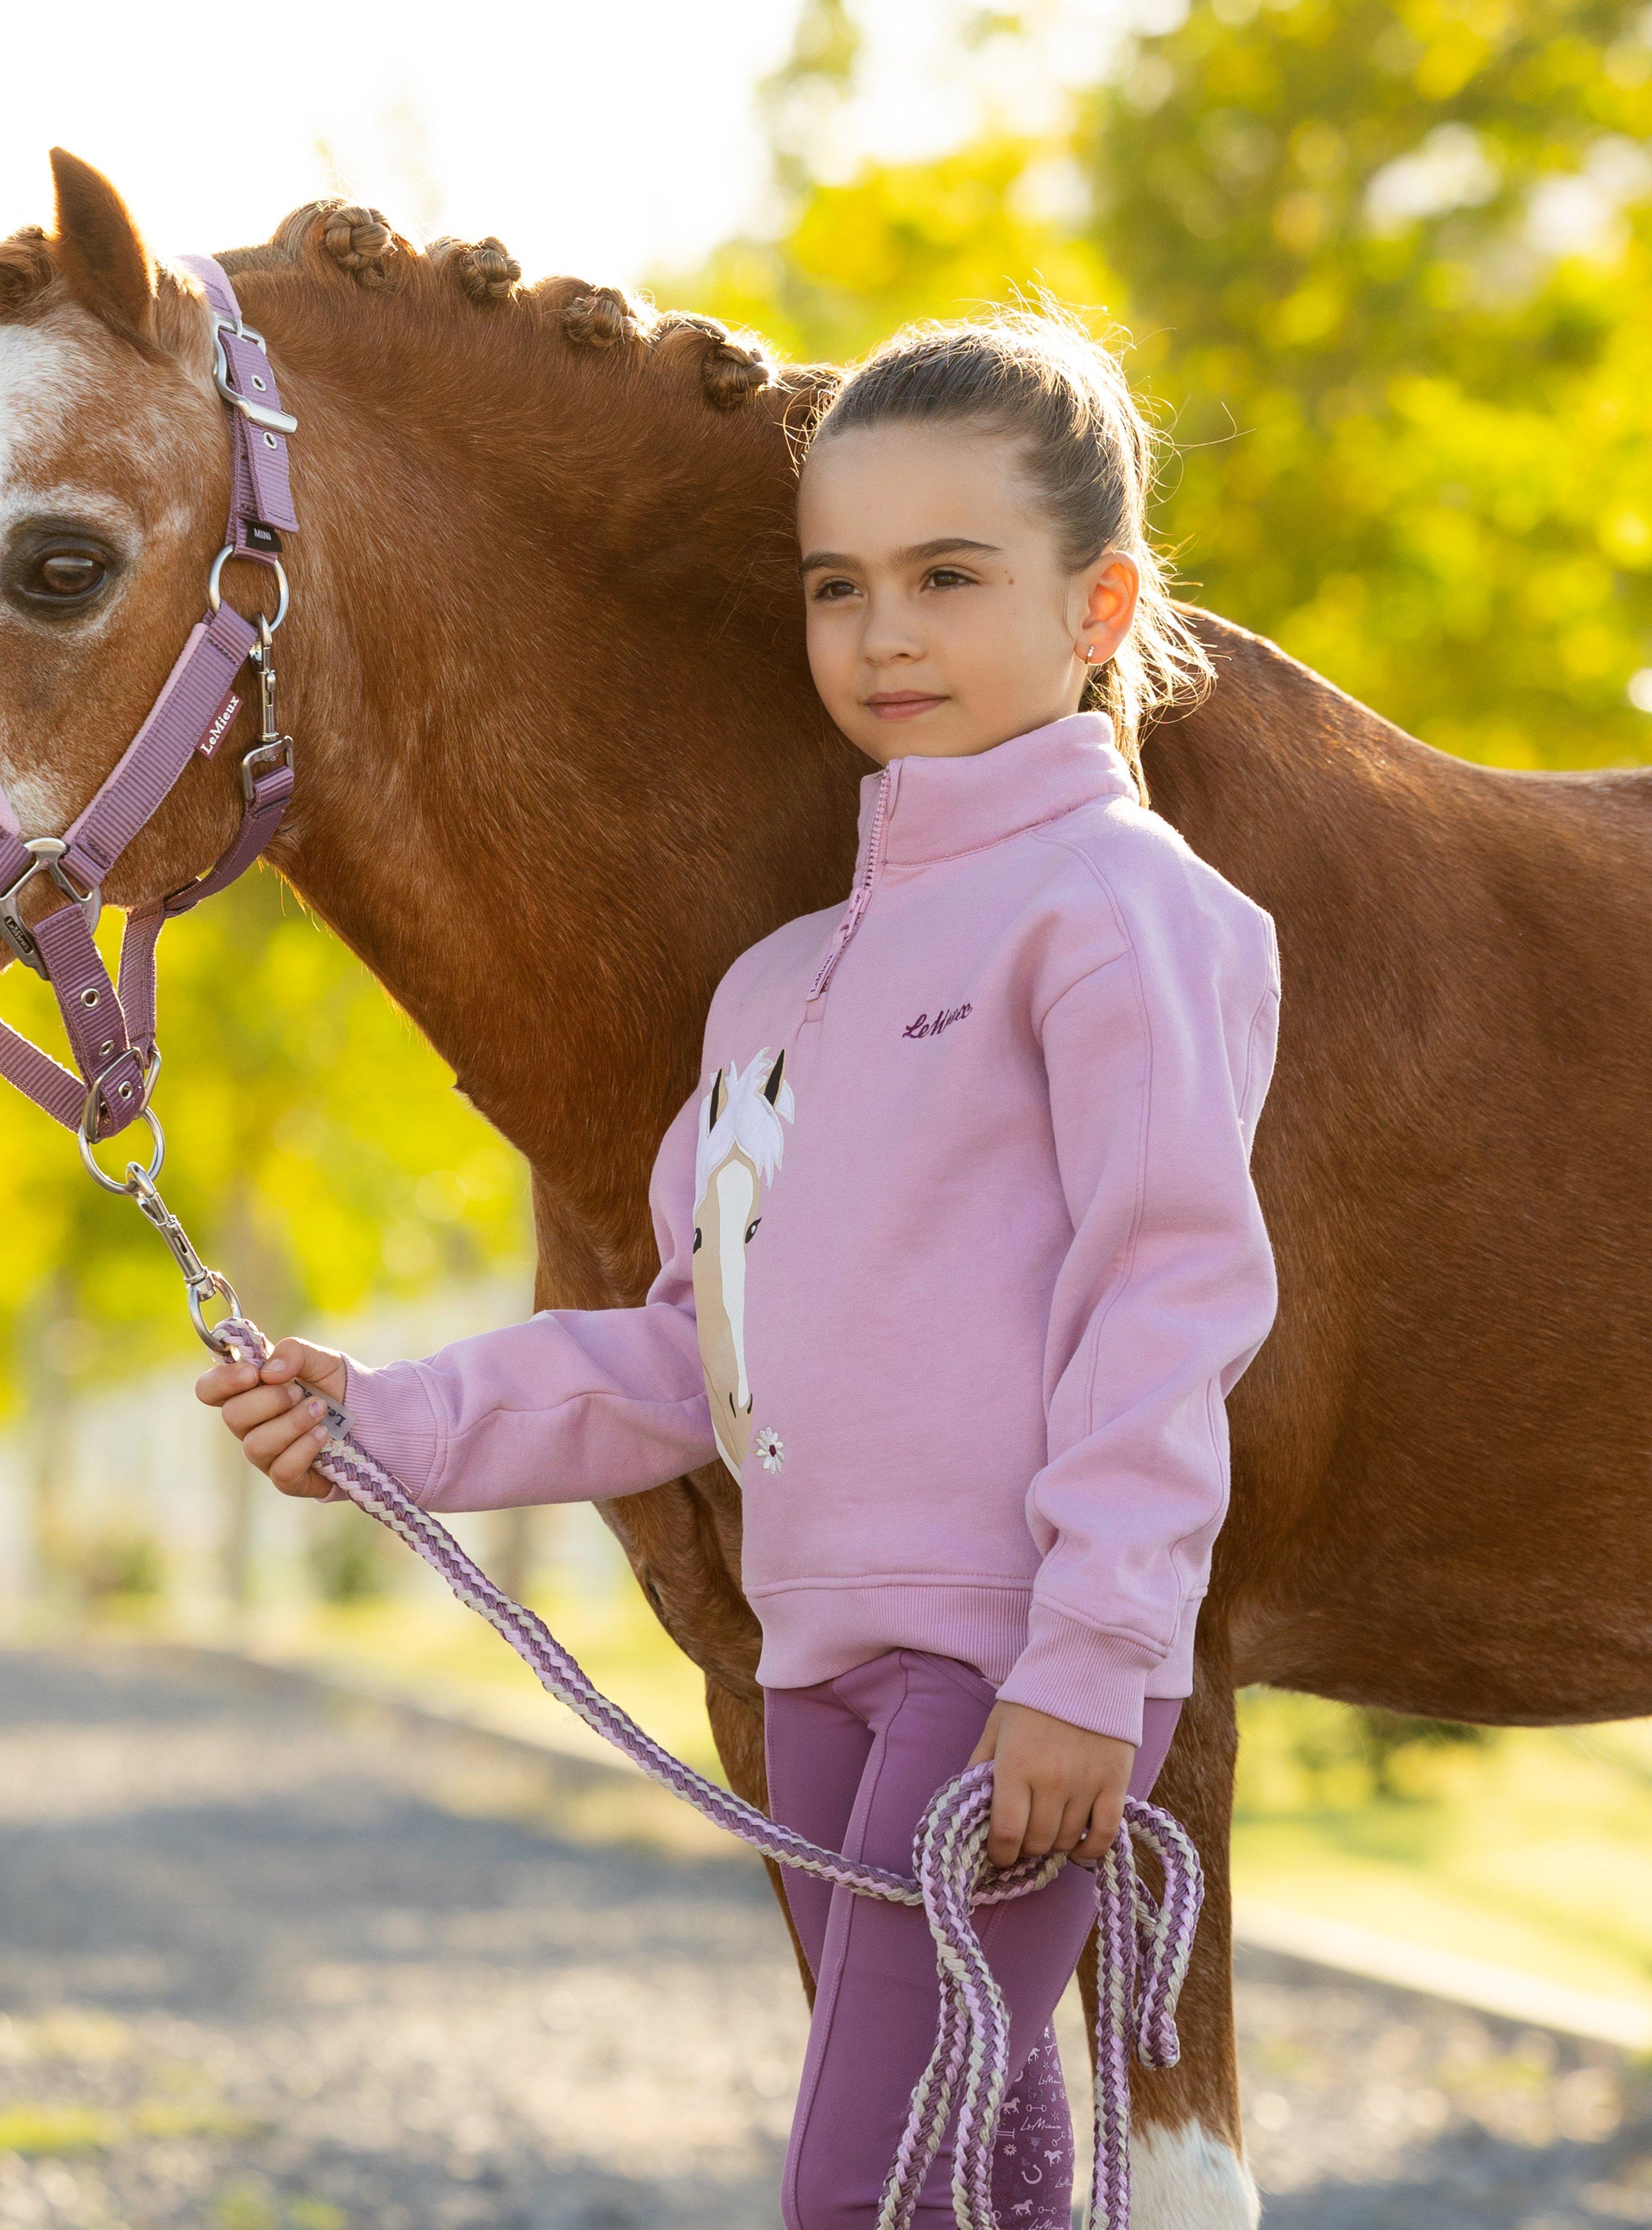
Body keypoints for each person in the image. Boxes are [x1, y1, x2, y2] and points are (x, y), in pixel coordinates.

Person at [197, 307, 1282, 2230]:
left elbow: (1169, 1300)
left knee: (857, 2190)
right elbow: (687, 1355)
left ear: (1100, 604)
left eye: (949, 578)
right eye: (837, 585)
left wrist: (1090, 1661)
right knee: (983, 2172)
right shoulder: (778, 991)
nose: (882, 635)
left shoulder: (1125, 913)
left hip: (1001, 1667)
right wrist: (384, 1419)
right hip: (816, 1674)